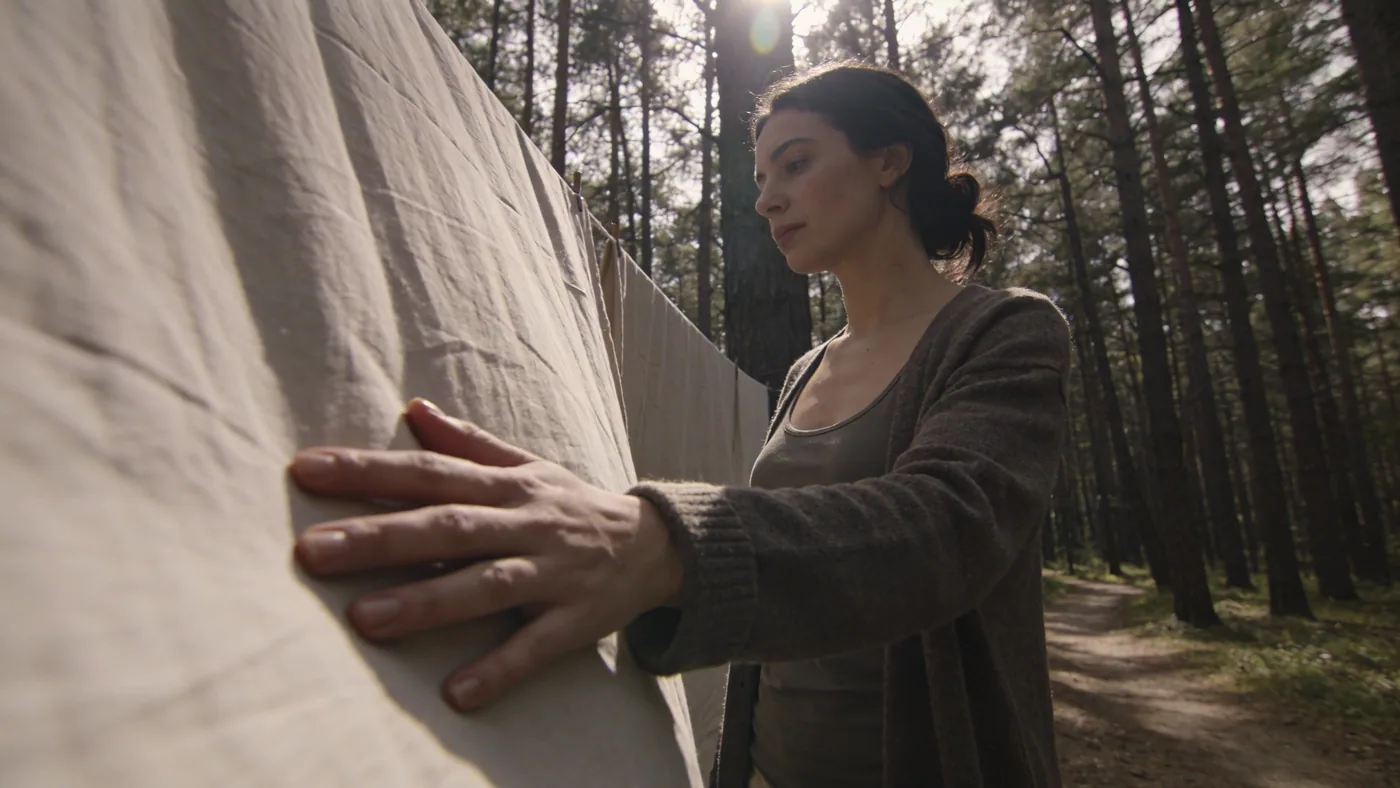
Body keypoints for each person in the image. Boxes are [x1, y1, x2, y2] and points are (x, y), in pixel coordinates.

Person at [289, 62, 1070, 788]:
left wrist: (660, 544)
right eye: (762, 178)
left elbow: (950, 528)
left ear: (889, 161)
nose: (767, 199)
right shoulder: (805, 370)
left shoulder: (1003, 330)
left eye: (796, 164)